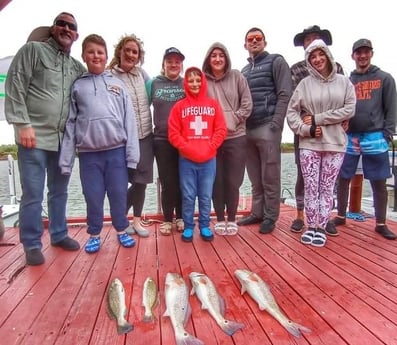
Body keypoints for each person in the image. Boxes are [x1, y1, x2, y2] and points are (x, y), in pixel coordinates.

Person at [5, 12, 86, 266]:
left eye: (71, 26)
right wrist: (22, 123)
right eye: (60, 23)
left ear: (76, 34)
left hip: (64, 141)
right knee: (32, 193)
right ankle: (31, 243)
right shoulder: (32, 51)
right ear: (53, 29)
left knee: (59, 191)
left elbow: (91, 91)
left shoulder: (76, 67)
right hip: (33, 136)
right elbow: (15, 85)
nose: (65, 28)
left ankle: (59, 234)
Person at [59, 34, 140, 253]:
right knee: (93, 196)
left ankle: (122, 230)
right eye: (91, 52)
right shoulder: (78, 86)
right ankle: (94, 233)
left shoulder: (118, 85)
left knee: (118, 195)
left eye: (100, 52)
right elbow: (70, 124)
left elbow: (129, 121)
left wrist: (132, 156)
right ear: (84, 55)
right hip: (88, 155)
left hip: (116, 153)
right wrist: (66, 162)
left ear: (106, 56)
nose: (96, 55)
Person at [286, 39, 356, 247]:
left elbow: (349, 109)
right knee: (310, 187)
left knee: (326, 187)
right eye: (312, 56)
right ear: (308, 60)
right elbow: (292, 112)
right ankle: (311, 226)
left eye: (320, 54)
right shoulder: (304, 84)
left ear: (327, 55)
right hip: (309, 143)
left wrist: (318, 118)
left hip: (335, 143)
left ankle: (321, 226)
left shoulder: (344, 82)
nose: (317, 59)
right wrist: (305, 129)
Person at [331, 39, 397, 240]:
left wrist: (387, 134)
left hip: (375, 135)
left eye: (366, 52)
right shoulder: (346, 80)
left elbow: (391, 109)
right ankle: (341, 216)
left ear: (371, 53)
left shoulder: (385, 78)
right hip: (349, 136)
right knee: (343, 176)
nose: (362, 56)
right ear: (353, 56)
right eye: (358, 52)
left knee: (378, 180)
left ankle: (381, 223)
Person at [237, 27, 292, 234]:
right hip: (248, 128)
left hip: (268, 125)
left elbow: (285, 93)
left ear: (264, 42)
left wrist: (276, 123)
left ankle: (270, 216)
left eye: (258, 38)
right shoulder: (243, 71)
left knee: (270, 175)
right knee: (254, 176)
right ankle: (257, 212)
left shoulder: (276, 61)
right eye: (250, 39)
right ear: (245, 44)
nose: (254, 41)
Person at [168, 67, 227, 242]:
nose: (194, 83)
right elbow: (173, 132)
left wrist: (210, 147)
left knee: (205, 194)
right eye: (191, 80)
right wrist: (187, 148)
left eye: (198, 80)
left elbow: (221, 129)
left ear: (203, 82)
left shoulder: (213, 104)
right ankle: (188, 227)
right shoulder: (179, 106)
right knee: (187, 195)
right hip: (186, 160)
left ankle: (204, 225)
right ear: (185, 83)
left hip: (209, 160)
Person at [202, 42, 253, 235]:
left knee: (233, 180)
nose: (217, 59)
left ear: (226, 58)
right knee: (216, 181)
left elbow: (247, 104)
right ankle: (220, 219)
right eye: (213, 55)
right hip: (212, 139)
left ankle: (232, 218)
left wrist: (232, 119)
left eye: (221, 55)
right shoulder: (203, 81)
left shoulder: (237, 77)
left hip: (236, 136)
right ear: (208, 58)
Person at [108, 34, 153, 238]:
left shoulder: (142, 75)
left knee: (141, 181)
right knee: (121, 181)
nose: (131, 55)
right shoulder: (109, 76)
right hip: (122, 139)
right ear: (120, 51)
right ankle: (120, 219)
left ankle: (135, 221)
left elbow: (155, 94)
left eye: (135, 52)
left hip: (145, 135)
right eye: (128, 50)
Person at [147, 47, 186, 235]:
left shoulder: (187, 83)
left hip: (184, 140)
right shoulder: (153, 83)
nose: (173, 64)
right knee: (167, 180)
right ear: (163, 64)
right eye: (169, 61)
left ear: (181, 65)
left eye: (177, 61)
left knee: (182, 180)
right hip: (161, 139)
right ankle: (167, 219)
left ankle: (181, 217)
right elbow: (142, 107)